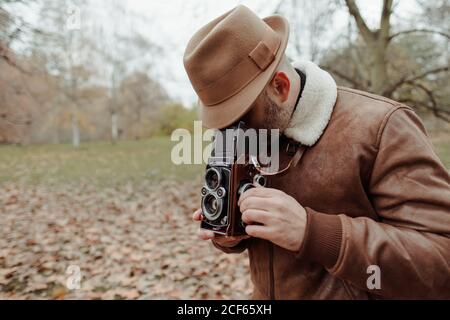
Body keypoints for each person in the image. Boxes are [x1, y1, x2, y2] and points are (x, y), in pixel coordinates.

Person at [184, 5, 450, 299]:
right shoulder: (249, 131)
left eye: (241, 118)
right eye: (223, 123)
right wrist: (232, 231)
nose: (234, 135)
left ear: (281, 87)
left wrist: (314, 233)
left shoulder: (382, 127)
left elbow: (440, 264)